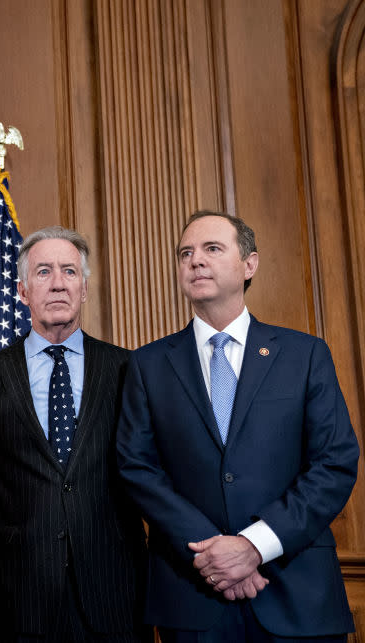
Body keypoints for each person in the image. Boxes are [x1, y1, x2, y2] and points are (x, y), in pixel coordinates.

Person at [116, 211, 359, 642]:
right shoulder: (147, 364)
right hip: (194, 597)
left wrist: (254, 546)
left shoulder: (304, 355)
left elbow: (335, 462)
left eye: (212, 249)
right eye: (185, 253)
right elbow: (137, 467)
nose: (195, 261)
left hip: (297, 593)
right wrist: (214, 553)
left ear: (250, 265)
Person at [0, 226, 149, 642]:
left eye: (69, 272)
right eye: (43, 272)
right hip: (17, 593)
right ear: (23, 291)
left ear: (84, 288)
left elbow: (144, 471)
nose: (58, 283)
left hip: (113, 590)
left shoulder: (129, 370)